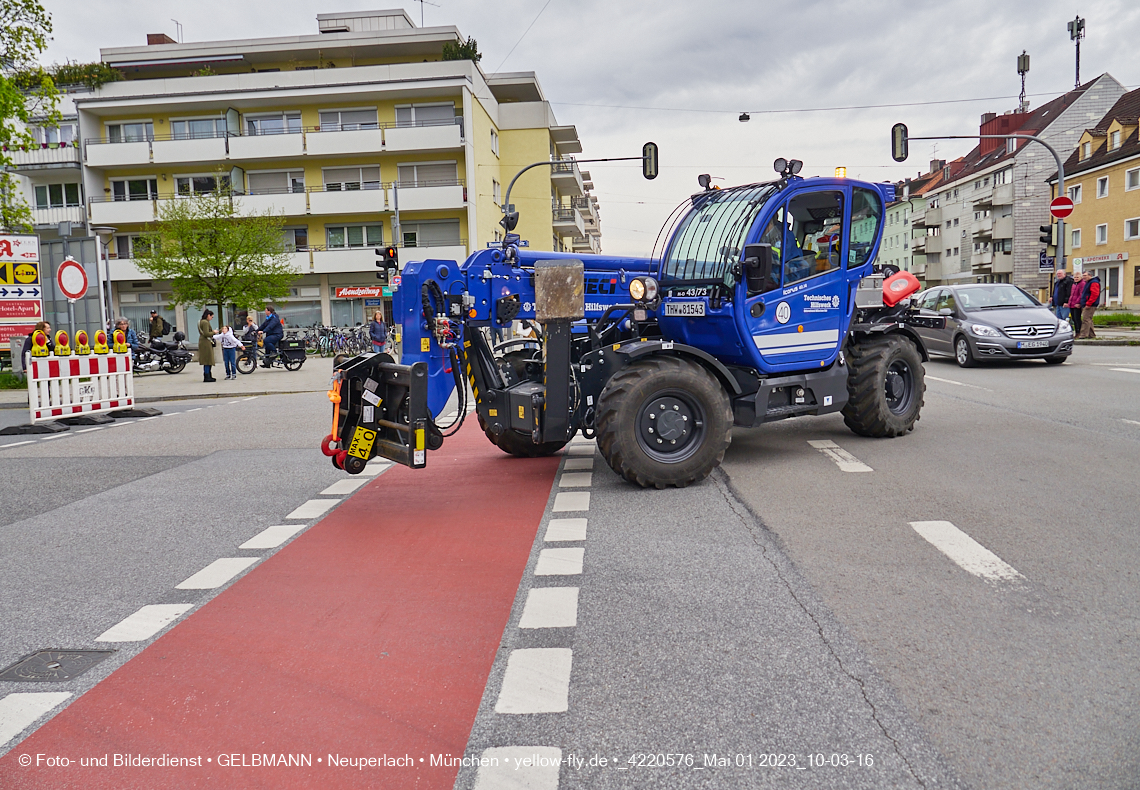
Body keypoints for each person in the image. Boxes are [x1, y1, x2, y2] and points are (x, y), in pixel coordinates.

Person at [1077, 270, 1101, 339]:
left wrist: (1089, 303)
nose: (1083, 277)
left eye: (1085, 275)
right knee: (1088, 319)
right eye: (1083, 275)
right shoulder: (1088, 282)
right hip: (1087, 303)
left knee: (1086, 319)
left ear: (1090, 275)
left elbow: (1094, 294)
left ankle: (1083, 334)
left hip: (1090, 304)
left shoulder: (1093, 283)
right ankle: (1092, 335)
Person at [198, 309, 217, 382]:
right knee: (208, 360)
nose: (211, 319)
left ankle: (207, 375)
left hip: (203, 342)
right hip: (206, 342)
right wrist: (213, 332)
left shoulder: (200, 321)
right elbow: (206, 333)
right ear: (208, 315)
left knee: (206, 359)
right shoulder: (205, 322)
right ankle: (207, 376)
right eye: (211, 317)